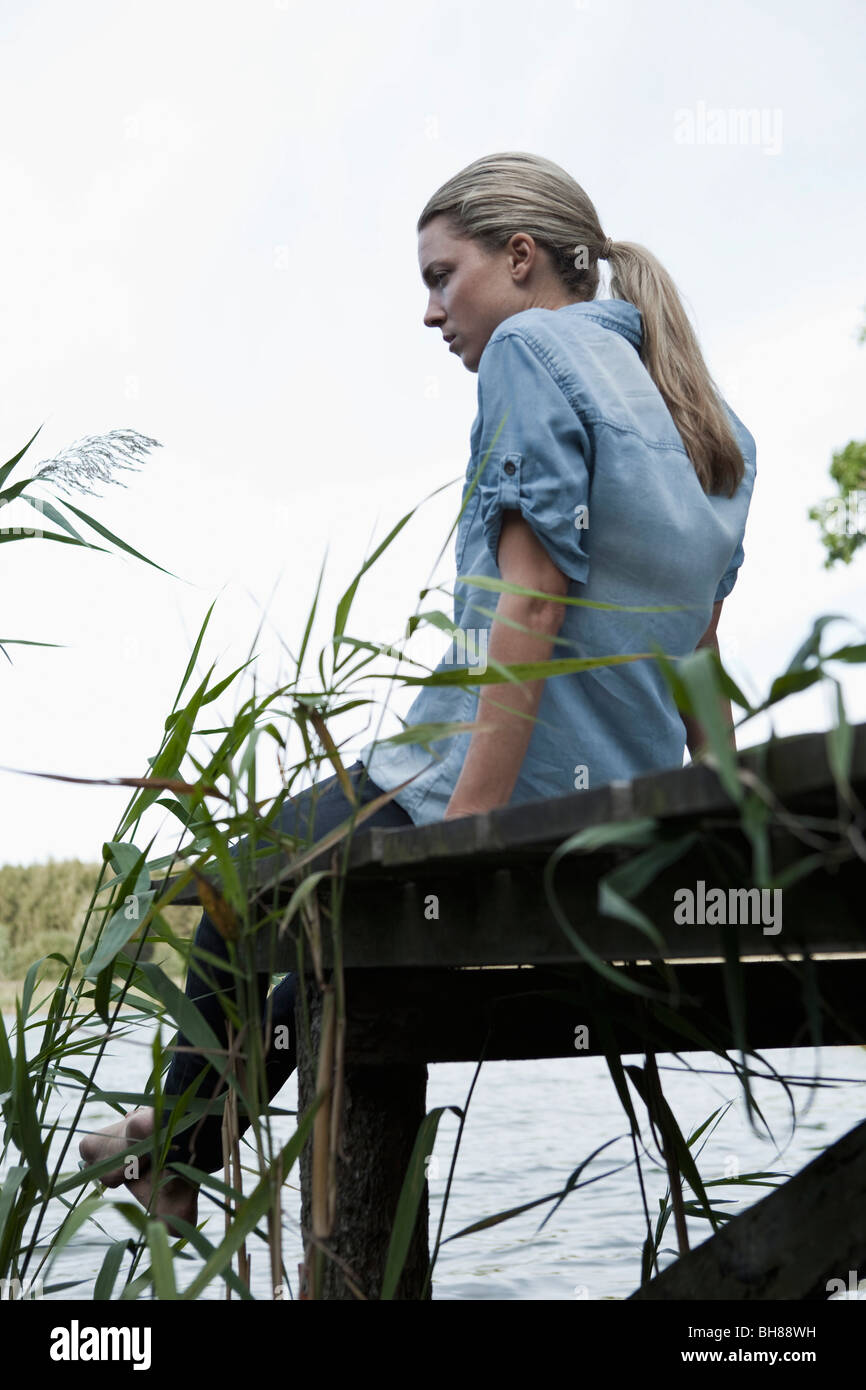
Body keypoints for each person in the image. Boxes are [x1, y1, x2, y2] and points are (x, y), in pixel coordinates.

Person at [79, 150, 756, 1227]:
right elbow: (698, 663)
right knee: (334, 943)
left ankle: (179, 1147)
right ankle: (181, 1140)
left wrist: (469, 834)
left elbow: (528, 606)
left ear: (521, 258)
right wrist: (721, 826)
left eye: (443, 278)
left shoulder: (532, 351)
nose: (431, 312)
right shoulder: (705, 417)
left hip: (491, 787)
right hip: (614, 821)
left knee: (235, 882)